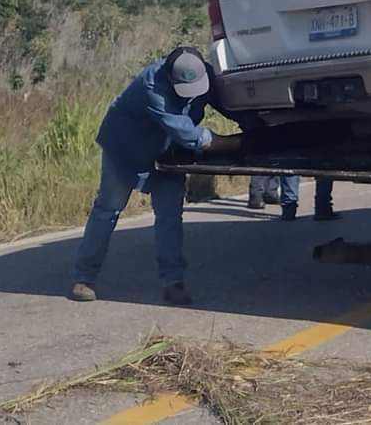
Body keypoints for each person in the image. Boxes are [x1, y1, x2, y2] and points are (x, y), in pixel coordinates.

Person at [70, 47, 243, 305]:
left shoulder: (203, 74)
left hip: (168, 153)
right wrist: (235, 143)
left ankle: (173, 282)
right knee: (107, 210)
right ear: (170, 78)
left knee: (170, 215)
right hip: (125, 150)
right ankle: (84, 277)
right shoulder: (152, 85)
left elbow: (224, 103)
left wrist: (252, 122)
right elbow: (188, 134)